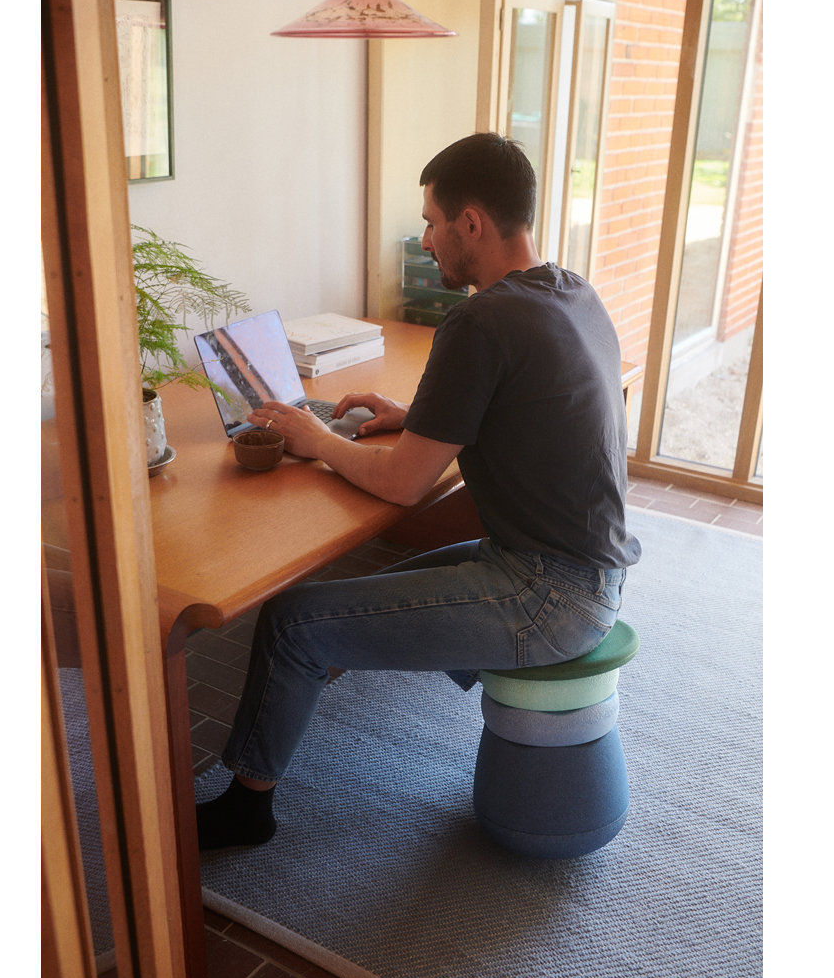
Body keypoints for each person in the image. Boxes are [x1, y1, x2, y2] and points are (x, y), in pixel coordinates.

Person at [196, 132, 641, 850]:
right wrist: (415, 417)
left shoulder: (480, 319)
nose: (427, 240)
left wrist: (317, 438)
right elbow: (528, 404)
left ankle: (246, 811)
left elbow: (404, 486)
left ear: (472, 221)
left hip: (547, 594)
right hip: (584, 572)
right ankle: (312, 687)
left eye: (433, 222)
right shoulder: (570, 291)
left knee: (291, 622)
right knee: (345, 606)